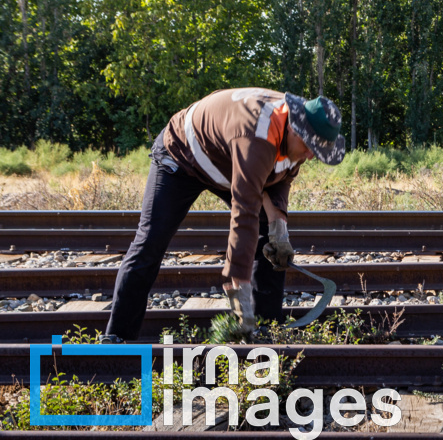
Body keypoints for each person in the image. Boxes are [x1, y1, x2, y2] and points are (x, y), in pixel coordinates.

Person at [104, 88, 346, 341]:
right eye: (309, 147)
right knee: (151, 241)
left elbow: (279, 179)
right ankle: (118, 337)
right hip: (182, 156)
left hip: (228, 160)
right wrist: (239, 289)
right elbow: (245, 212)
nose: (309, 156)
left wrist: (279, 228)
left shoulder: (295, 135)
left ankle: (265, 329)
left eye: (316, 152)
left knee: (270, 239)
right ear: (295, 128)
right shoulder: (257, 136)